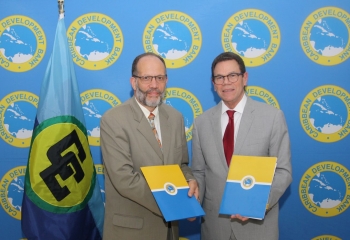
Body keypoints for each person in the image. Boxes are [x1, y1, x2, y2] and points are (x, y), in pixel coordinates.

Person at [191, 52, 292, 240]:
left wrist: (259, 203)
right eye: (219, 77)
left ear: (244, 78)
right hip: (215, 229)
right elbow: (199, 173)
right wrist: (192, 203)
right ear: (213, 84)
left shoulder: (272, 117)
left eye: (232, 76)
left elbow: (283, 172)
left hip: (257, 228)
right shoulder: (201, 123)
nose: (226, 82)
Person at [100, 52, 199, 240]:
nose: (154, 85)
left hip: (170, 231)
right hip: (132, 232)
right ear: (134, 82)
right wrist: (177, 205)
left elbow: (182, 165)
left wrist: (190, 181)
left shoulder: (176, 118)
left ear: (166, 80)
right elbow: (124, 179)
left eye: (159, 78)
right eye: (146, 78)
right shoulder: (113, 120)